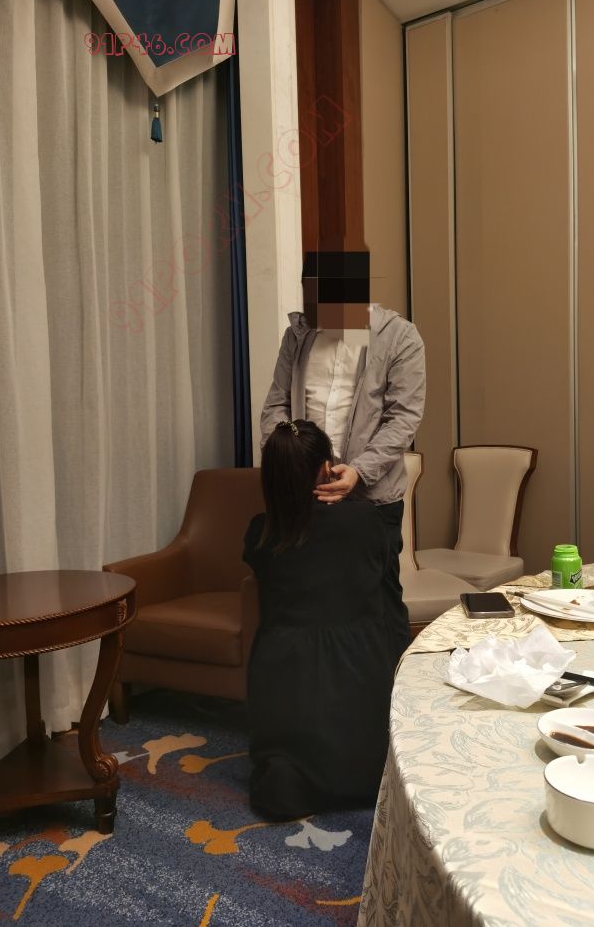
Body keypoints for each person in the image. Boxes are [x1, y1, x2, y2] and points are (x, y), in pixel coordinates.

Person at [243, 420, 398, 820]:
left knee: (282, 777)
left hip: (285, 672)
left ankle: (294, 782)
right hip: (359, 666)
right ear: (326, 468)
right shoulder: (364, 520)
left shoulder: (262, 531)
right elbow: (383, 580)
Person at [260, 301, 426, 659]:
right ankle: (320, 686)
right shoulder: (298, 336)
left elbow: (403, 418)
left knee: (380, 604)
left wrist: (359, 470)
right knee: (310, 604)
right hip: (306, 495)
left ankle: (395, 688)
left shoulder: (399, 336)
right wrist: (290, 463)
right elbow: (276, 406)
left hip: (371, 496)